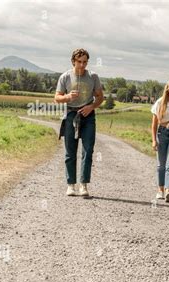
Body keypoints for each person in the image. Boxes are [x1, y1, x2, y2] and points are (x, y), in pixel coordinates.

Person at [54, 48, 104, 196]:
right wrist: (68, 97)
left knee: (88, 151)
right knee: (70, 152)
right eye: (79, 62)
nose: (82, 65)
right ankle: (71, 185)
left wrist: (91, 106)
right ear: (73, 62)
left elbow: (100, 97)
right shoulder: (65, 77)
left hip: (88, 115)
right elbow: (57, 98)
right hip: (71, 114)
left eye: (85, 62)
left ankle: (83, 185)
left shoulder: (93, 77)